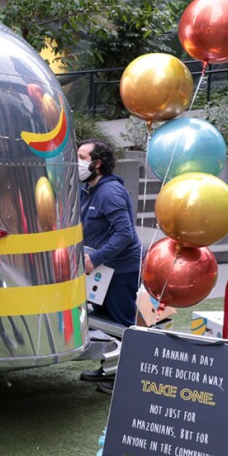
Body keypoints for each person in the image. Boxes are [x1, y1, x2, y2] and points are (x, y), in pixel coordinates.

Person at [76, 138, 142, 394]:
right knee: (104, 322)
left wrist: (96, 258)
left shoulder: (109, 192)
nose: (77, 162)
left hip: (120, 269)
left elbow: (124, 233)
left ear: (98, 163)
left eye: (82, 157)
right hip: (103, 270)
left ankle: (124, 379)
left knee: (121, 323)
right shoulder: (88, 189)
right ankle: (109, 369)